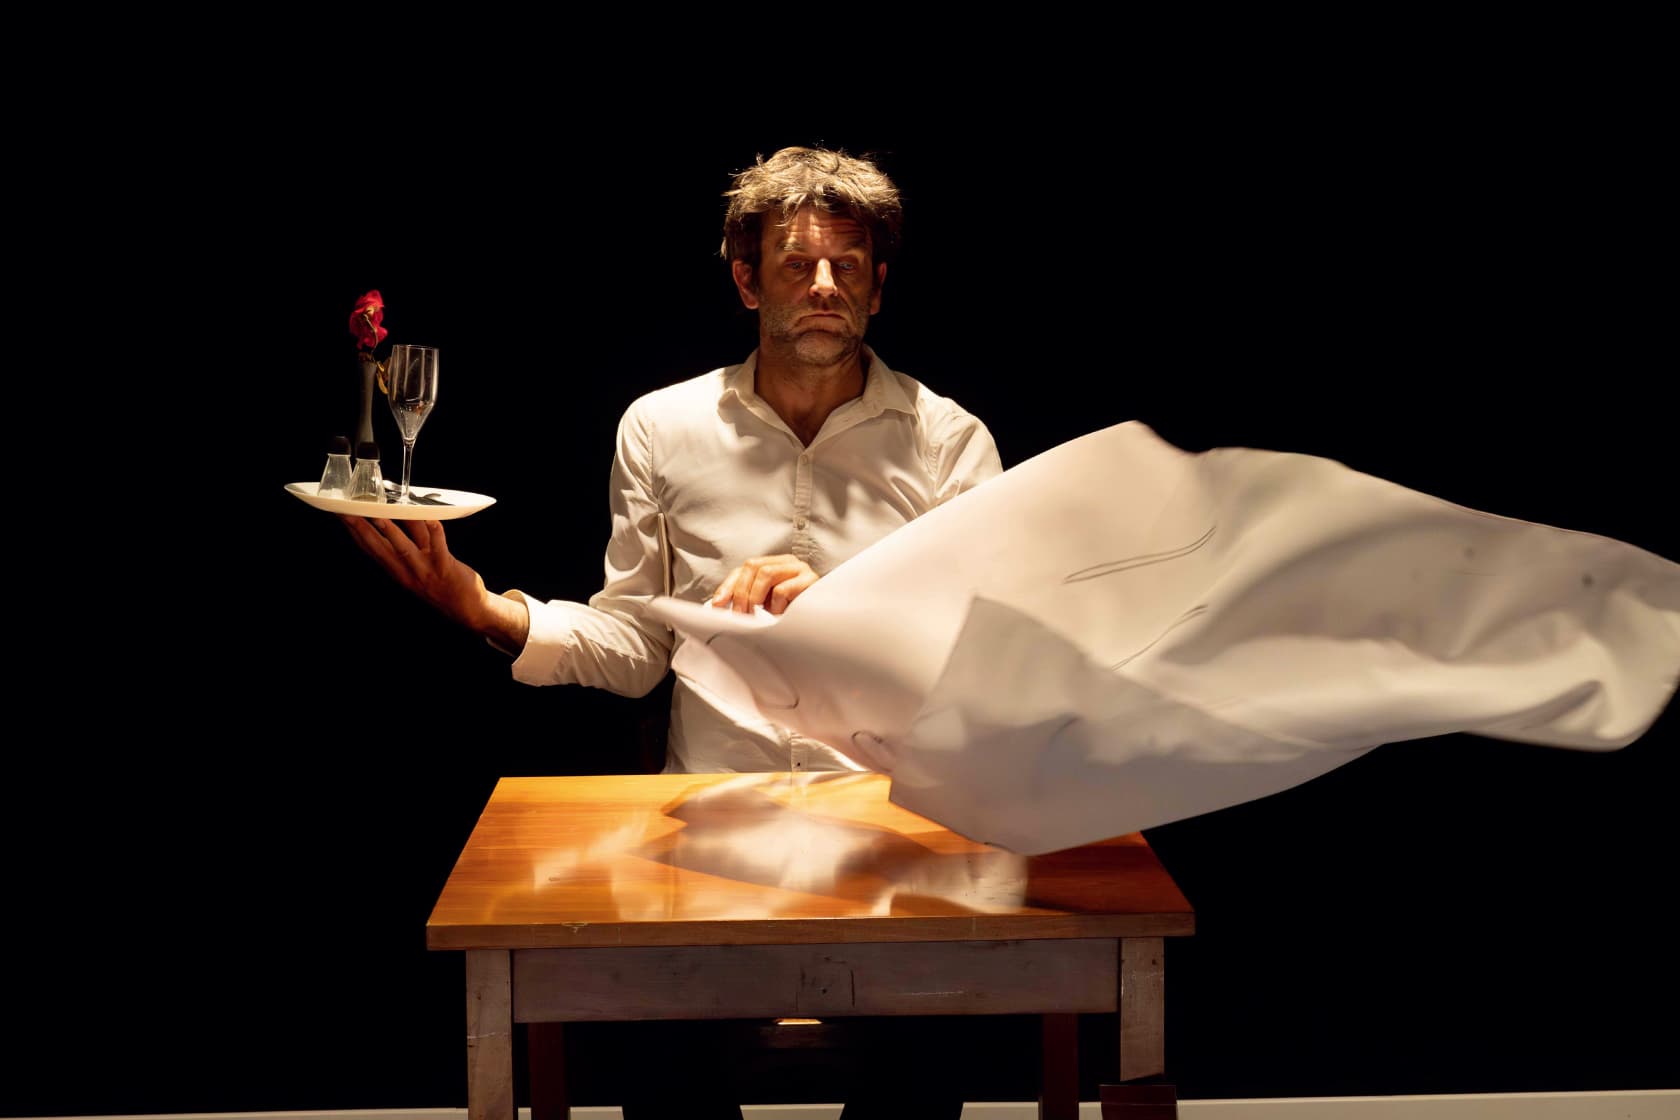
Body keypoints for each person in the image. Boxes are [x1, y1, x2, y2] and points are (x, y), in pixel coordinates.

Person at [342, 146, 1002, 1118]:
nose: (824, 284)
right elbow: (635, 646)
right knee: (650, 1057)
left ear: (877, 287)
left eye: (848, 265)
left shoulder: (950, 442)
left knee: (939, 1050)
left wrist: (839, 607)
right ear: (748, 281)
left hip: (894, 825)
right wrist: (484, 607)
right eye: (796, 263)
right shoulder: (660, 428)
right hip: (710, 823)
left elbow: (979, 661)